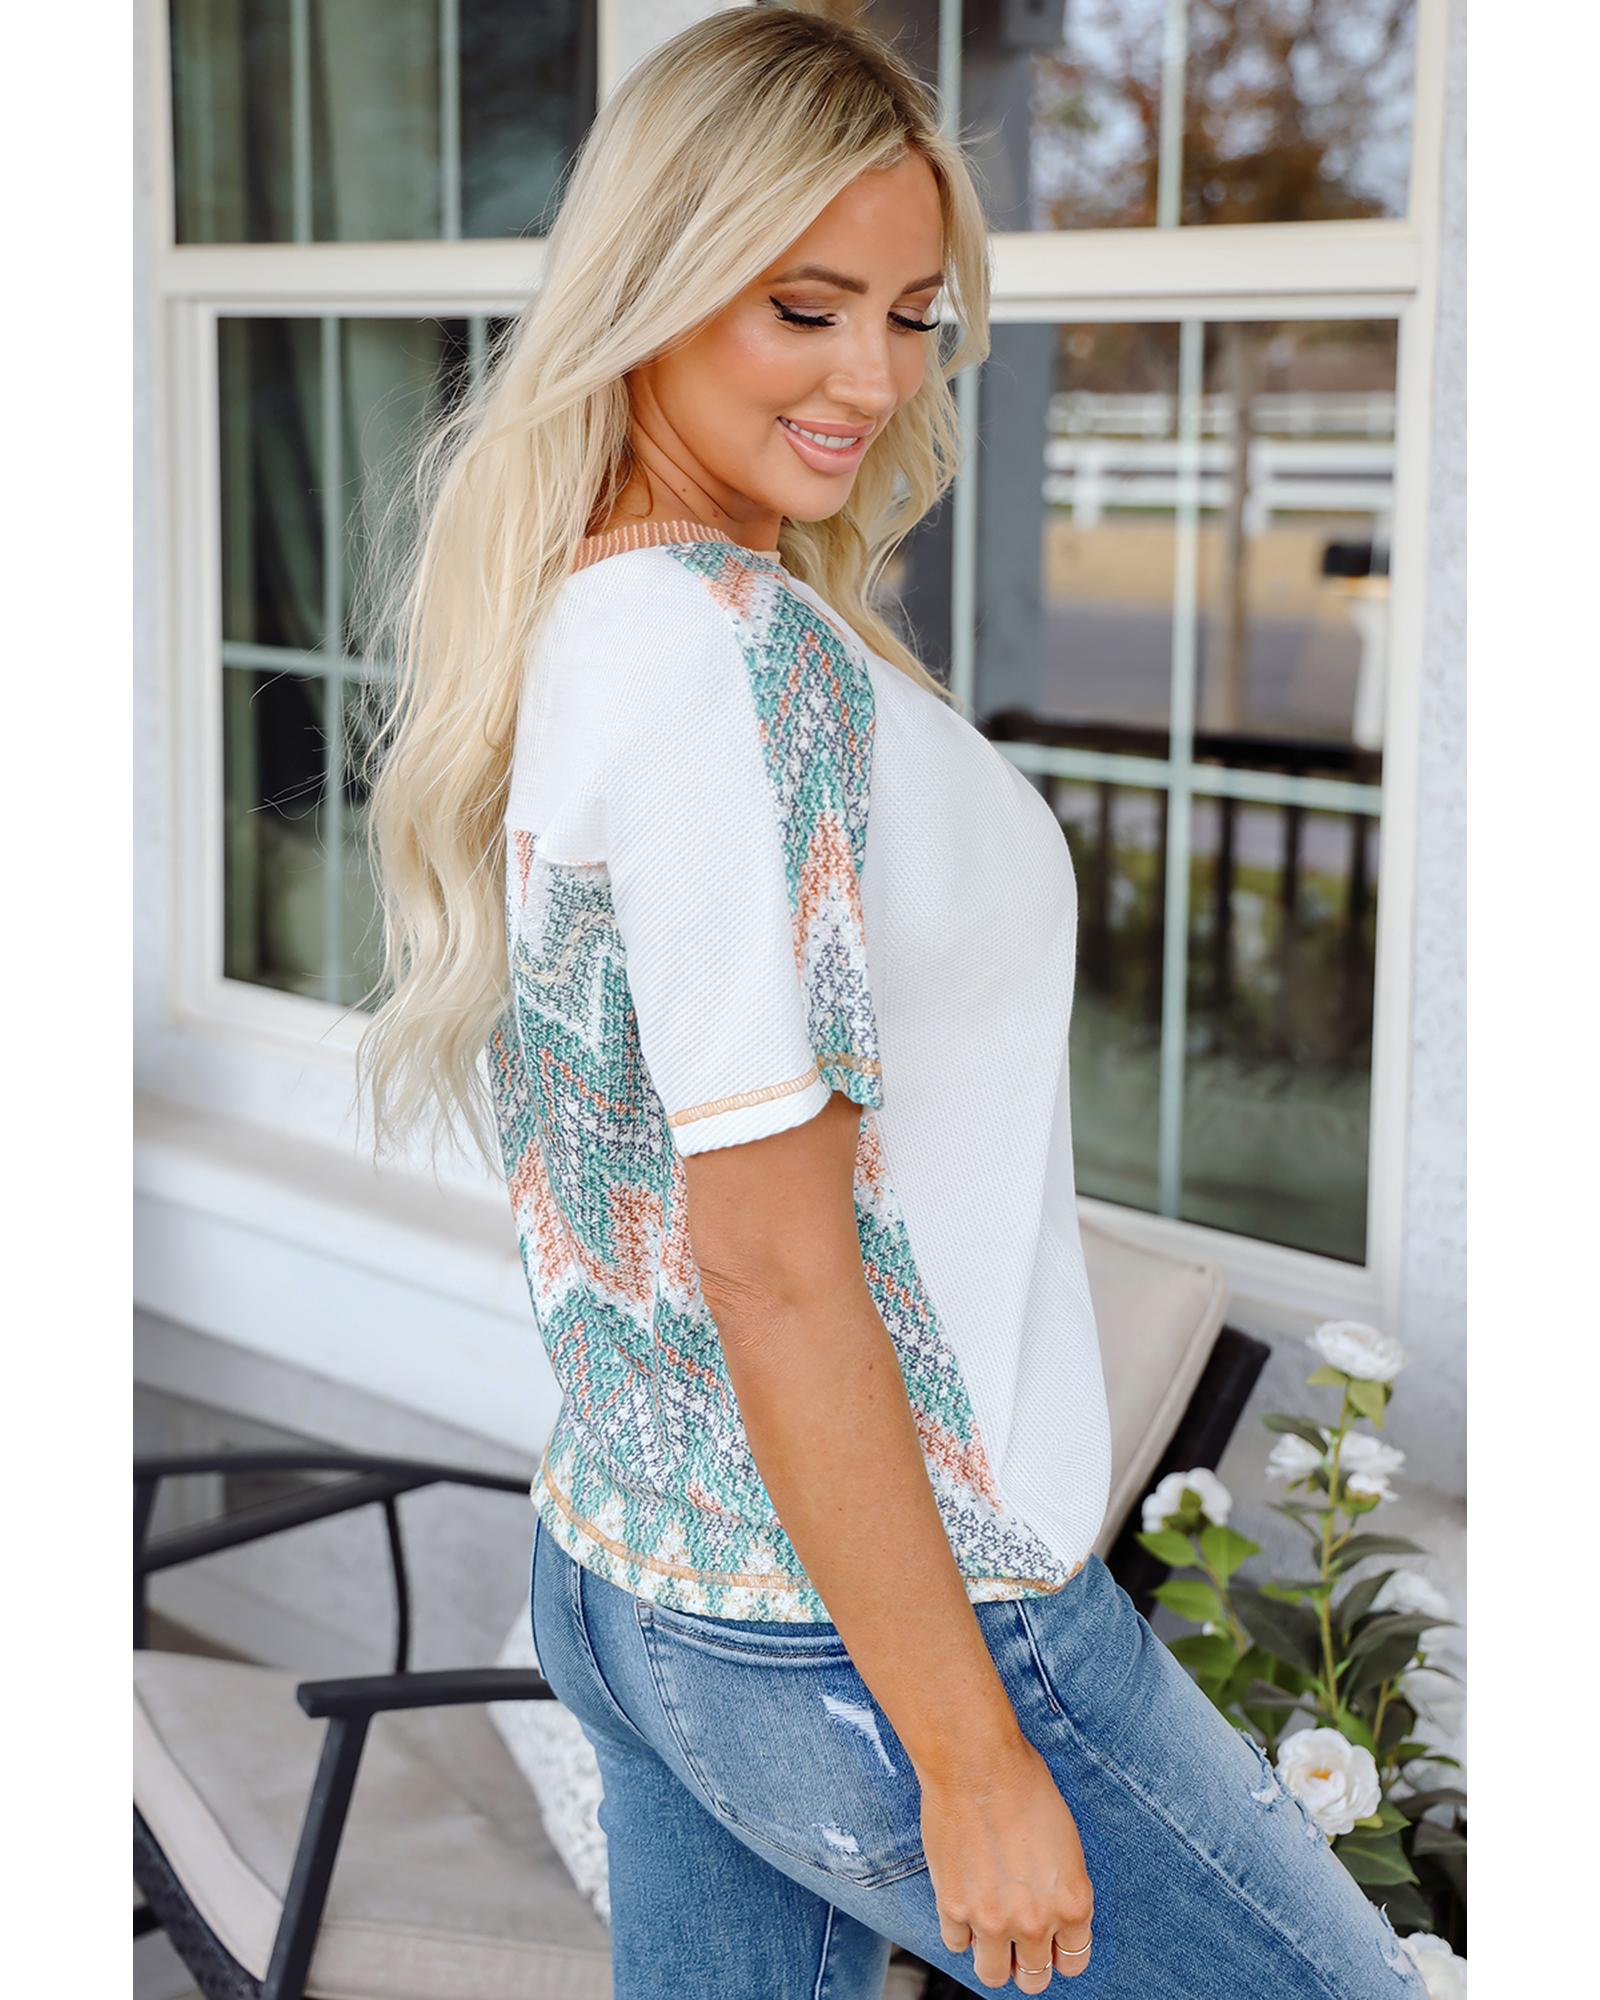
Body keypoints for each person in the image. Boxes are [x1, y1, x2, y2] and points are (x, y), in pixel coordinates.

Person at [356, 11, 1428, 1998]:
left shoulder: (598, 619)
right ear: (654, 286)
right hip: (878, 1629)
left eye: (914, 316)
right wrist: (973, 1757)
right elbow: (770, 1260)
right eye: (805, 308)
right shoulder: (721, 659)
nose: (874, 377)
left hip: (639, 1568)